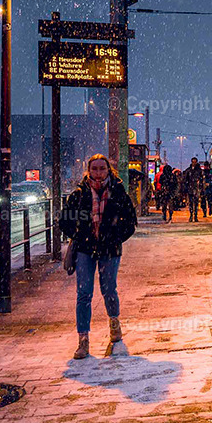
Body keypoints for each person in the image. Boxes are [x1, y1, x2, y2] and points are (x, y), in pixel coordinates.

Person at [60, 154, 138, 359]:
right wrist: (78, 236)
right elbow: (64, 220)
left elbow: (131, 221)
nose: (98, 172)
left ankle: (114, 325)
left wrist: (116, 237)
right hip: (85, 250)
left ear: (108, 170)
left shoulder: (118, 192)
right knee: (84, 293)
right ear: (88, 170)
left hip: (109, 250)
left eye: (102, 168)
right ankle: (83, 340)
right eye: (94, 169)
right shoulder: (79, 194)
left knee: (109, 289)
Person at [182, 157, 204, 222]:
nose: (194, 163)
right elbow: (185, 179)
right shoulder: (189, 170)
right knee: (191, 203)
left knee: (196, 203)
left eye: (195, 162)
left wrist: (201, 187)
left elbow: (201, 180)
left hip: (196, 189)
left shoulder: (198, 171)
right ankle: (191, 215)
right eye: (193, 162)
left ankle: (195, 215)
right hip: (191, 189)